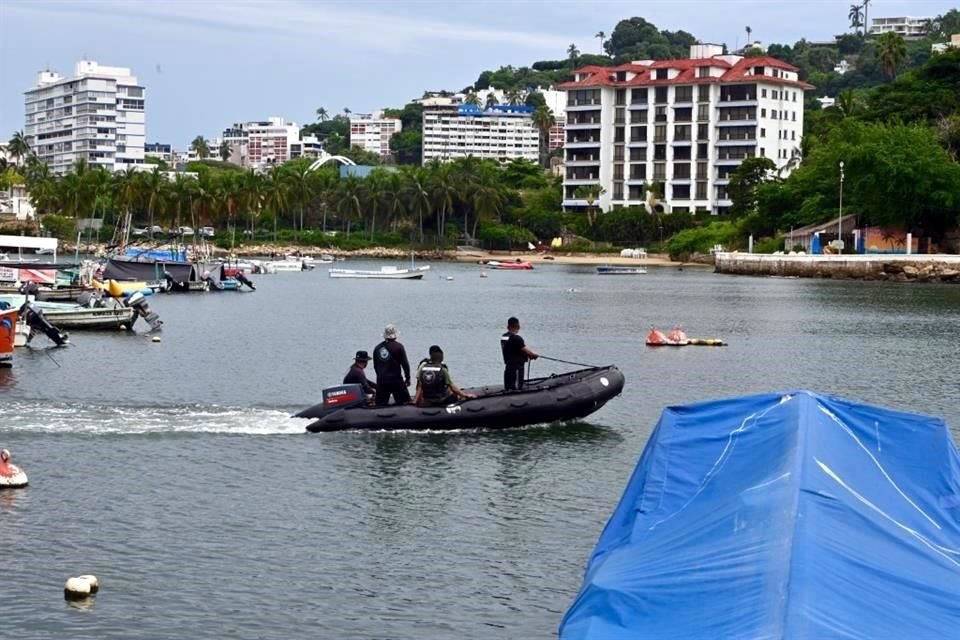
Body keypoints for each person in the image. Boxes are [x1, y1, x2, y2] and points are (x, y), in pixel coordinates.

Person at [373, 324, 411, 405]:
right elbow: (405, 364)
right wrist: (407, 378)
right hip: (396, 379)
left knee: (380, 405)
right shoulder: (399, 347)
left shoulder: (377, 348)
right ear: (395, 336)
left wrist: (380, 376)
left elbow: (376, 366)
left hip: (382, 380)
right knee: (405, 402)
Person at [501, 316, 538, 391]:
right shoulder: (517, 338)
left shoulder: (504, 337)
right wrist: (534, 355)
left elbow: (515, 347)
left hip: (508, 367)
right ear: (518, 326)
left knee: (508, 387)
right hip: (517, 368)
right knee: (517, 388)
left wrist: (529, 353)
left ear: (508, 326)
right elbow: (527, 351)